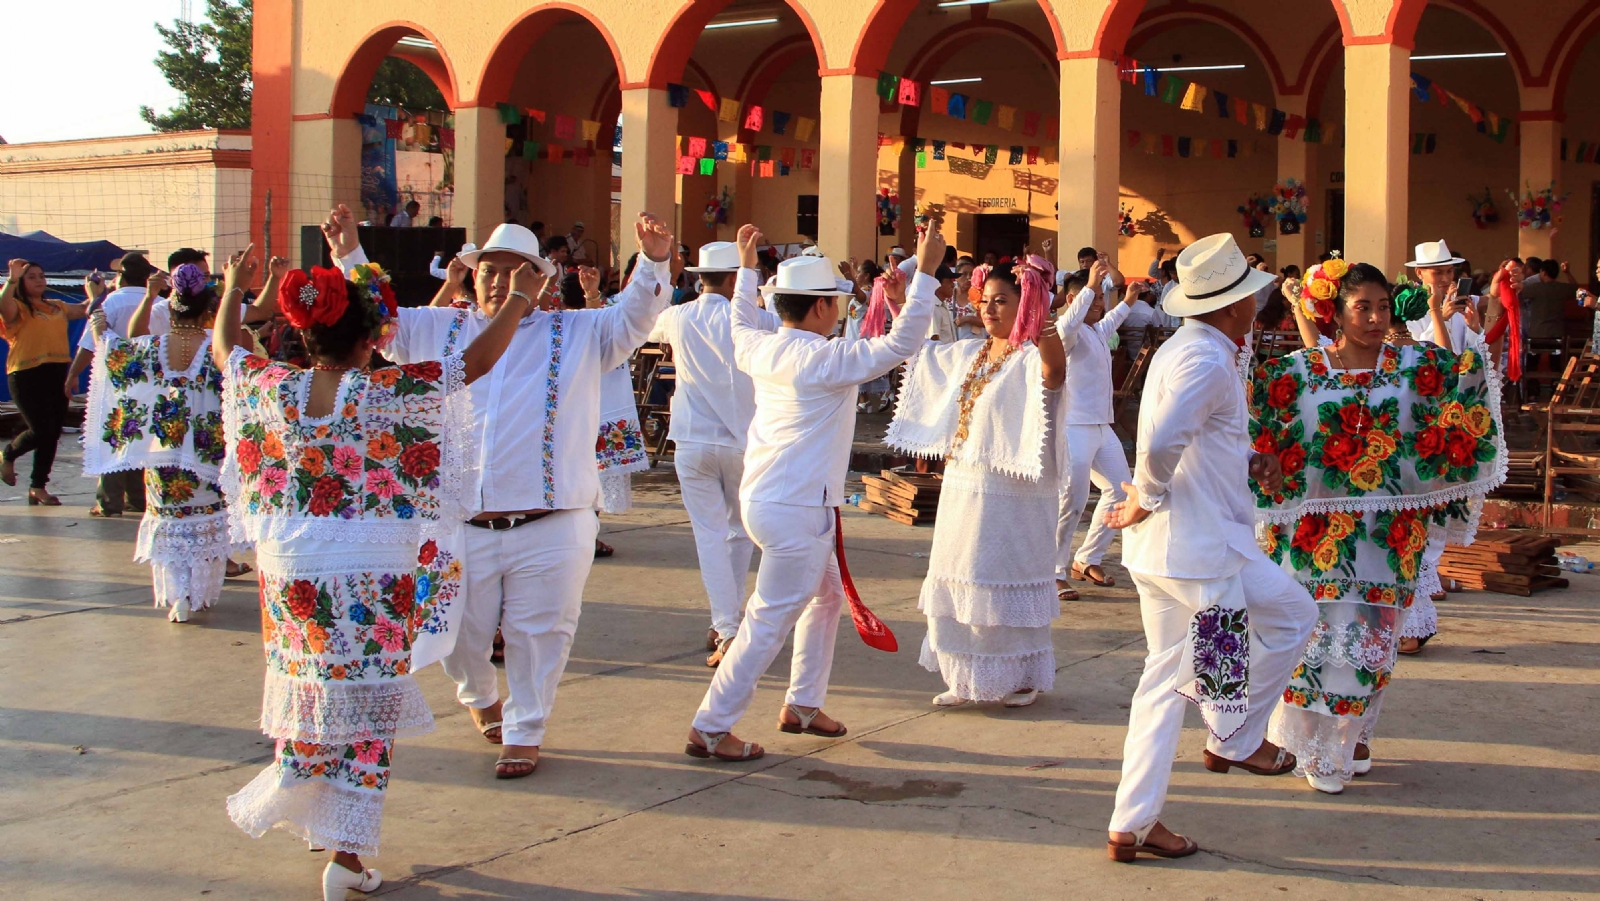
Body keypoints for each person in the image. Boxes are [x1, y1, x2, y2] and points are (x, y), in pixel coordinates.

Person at [217, 240, 527, 901]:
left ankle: (308, 796)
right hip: (372, 575)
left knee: (310, 689)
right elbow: (472, 362)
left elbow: (226, 347)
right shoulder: (384, 390)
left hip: (292, 573)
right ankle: (345, 856)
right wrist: (523, 298)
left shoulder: (276, 385)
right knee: (367, 709)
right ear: (369, 339)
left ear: (304, 334)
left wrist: (233, 288)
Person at [323, 204, 674, 780]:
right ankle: (480, 696)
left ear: (538, 280)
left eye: (514, 271)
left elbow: (637, 316)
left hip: (553, 521)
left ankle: (525, 730)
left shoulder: (580, 332)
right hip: (460, 522)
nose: (497, 280)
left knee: (542, 634)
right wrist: (348, 255)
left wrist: (653, 259)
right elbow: (376, 322)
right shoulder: (436, 328)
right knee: (457, 632)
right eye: (489, 268)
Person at [685, 223, 940, 762]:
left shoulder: (759, 346)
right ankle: (712, 724)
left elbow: (737, 318)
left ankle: (802, 704)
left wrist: (749, 266)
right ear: (823, 307)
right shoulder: (822, 360)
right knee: (767, 622)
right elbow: (902, 344)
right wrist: (924, 275)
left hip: (771, 502)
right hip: (797, 510)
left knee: (823, 598)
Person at [1101, 233, 1318, 862]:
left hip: (1179, 546)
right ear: (1229, 307)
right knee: (1267, 627)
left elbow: (1198, 438)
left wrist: (1254, 459)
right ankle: (1234, 737)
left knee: (1167, 681)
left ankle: (1135, 821)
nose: (1258, 303)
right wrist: (1144, 494)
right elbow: (1165, 439)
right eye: (1251, 295)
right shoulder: (1203, 358)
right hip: (1197, 549)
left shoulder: (1193, 348)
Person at [1257, 257, 1504, 794]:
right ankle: (1317, 749)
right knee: (1313, 638)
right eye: (1361, 307)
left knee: (1371, 638)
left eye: (1382, 306)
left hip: (1388, 535)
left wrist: (1477, 350)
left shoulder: (1416, 367)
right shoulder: (1299, 370)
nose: (1373, 317)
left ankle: (1352, 736)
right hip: (1313, 536)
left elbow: (1461, 394)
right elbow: (1262, 424)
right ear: (1335, 312)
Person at [887, 254, 1066, 706]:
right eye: (985, 300)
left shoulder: (1031, 356)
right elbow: (921, 357)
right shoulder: (971, 351)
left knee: (1006, 575)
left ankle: (1021, 676)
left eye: (1002, 301)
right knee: (962, 572)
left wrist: (1042, 321)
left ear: (1025, 305)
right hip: (966, 487)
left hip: (1015, 493)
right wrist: (896, 307)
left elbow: (1056, 373)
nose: (989, 309)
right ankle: (966, 676)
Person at [81, 261, 279, 621]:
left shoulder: (151, 346)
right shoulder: (218, 347)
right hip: (208, 451)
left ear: (170, 307)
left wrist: (99, 325)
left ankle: (179, 597)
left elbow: (116, 356)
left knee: (171, 520)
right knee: (205, 519)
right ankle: (196, 594)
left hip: (164, 453)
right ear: (208, 310)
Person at [650, 240, 780, 664]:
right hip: (743, 440)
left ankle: (725, 622)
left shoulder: (677, 316)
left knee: (710, 535)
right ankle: (728, 623)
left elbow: (641, 326)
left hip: (692, 439)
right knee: (738, 532)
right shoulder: (755, 319)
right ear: (734, 278)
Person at [1054, 255, 1137, 601]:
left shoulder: (1095, 331)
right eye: (1095, 298)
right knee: (1070, 501)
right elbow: (1069, 324)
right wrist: (1089, 286)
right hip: (1074, 426)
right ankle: (1053, 572)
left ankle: (1087, 558)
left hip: (1102, 428)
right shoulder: (1067, 333)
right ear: (1075, 300)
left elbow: (1111, 321)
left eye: (1102, 298)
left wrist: (1129, 301)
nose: (1102, 304)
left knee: (1121, 491)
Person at [1, 259, 90, 505]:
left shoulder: (56, 306)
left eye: (41, 275)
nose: (40, 280)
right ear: (21, 281)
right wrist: (12, 279)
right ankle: (9, 454)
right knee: (42, 430)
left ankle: (37, 486)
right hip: (27, 374)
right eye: (32, 277)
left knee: (52, 433)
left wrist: (102, 292)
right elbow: (3, 307)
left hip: (57, 373)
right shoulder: (17, 307)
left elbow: (85, 309)